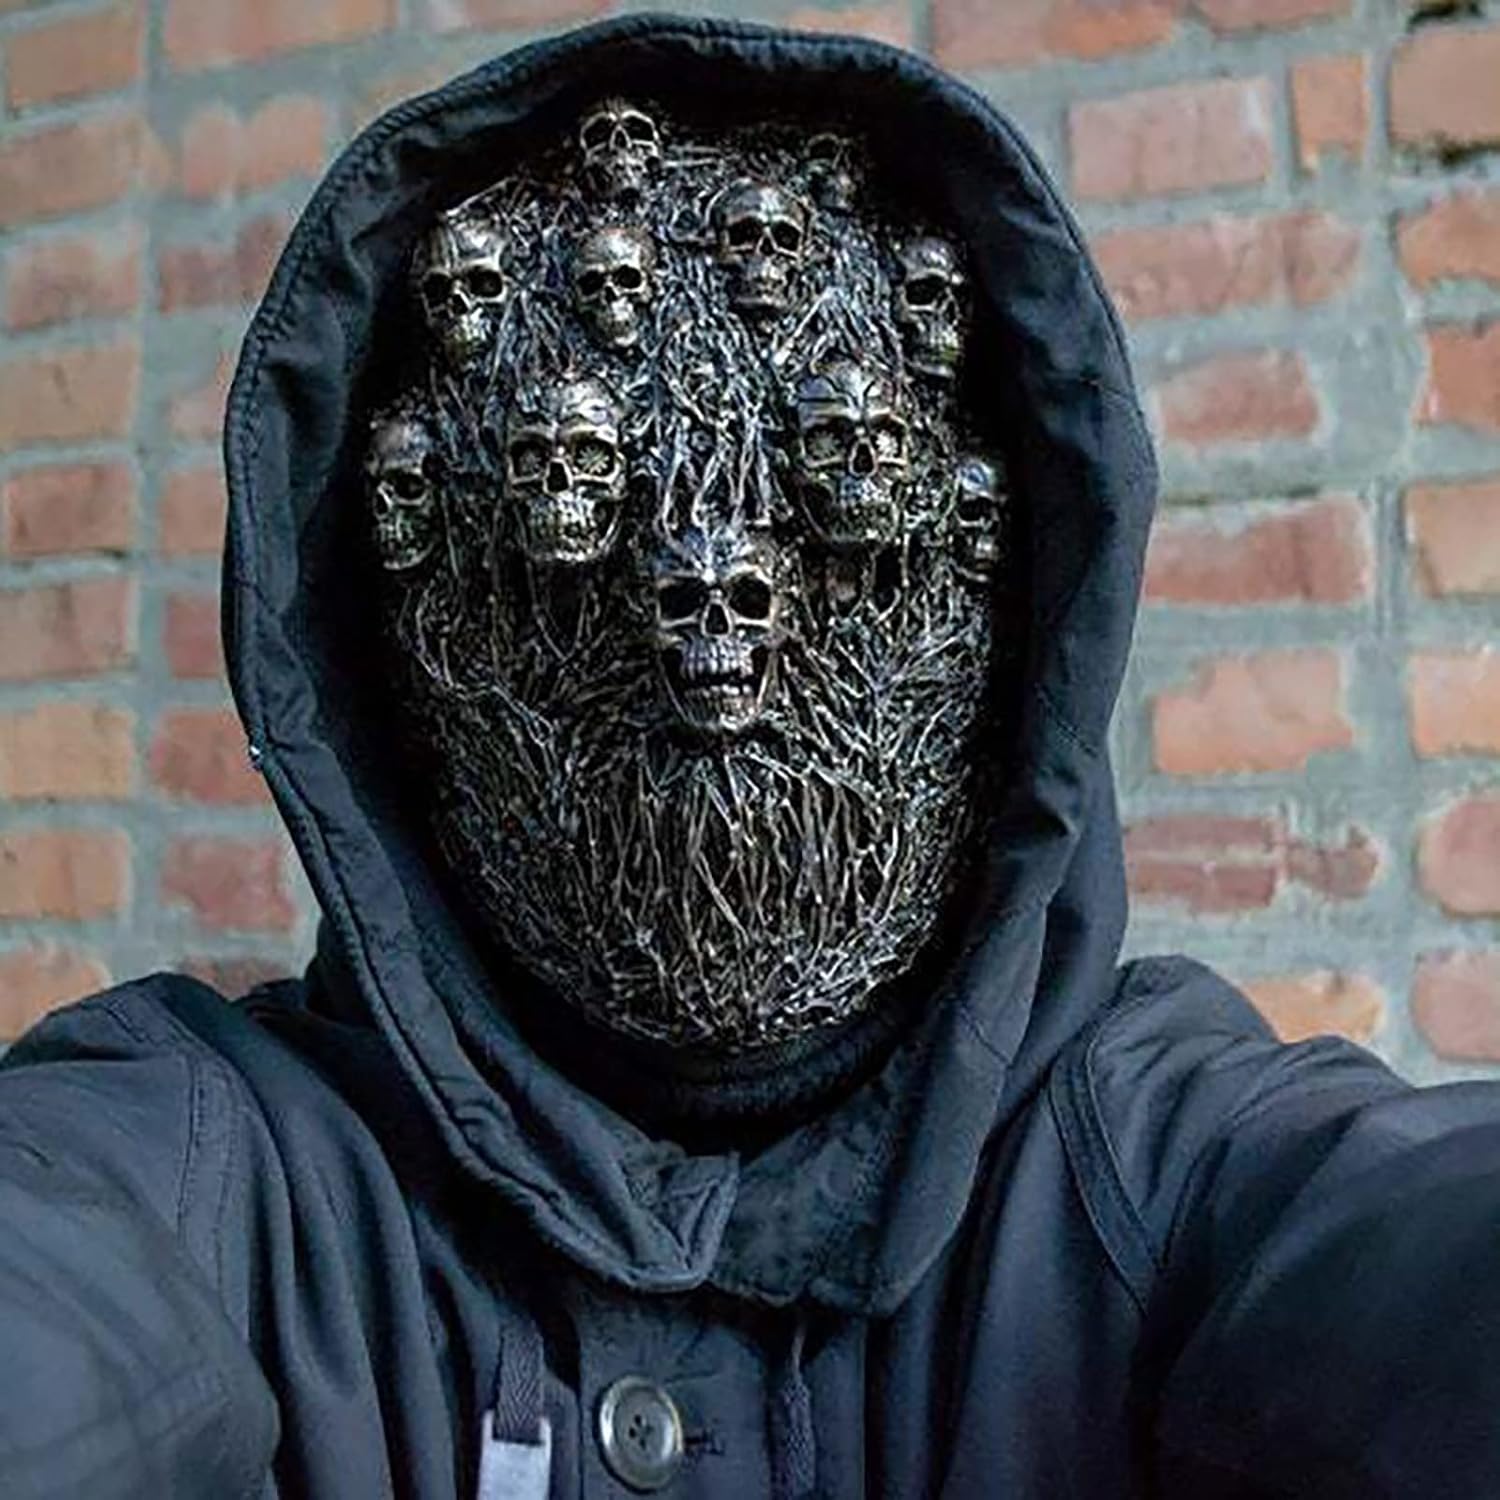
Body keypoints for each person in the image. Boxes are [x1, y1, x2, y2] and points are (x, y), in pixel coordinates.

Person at [2, 15, 1497, 1500]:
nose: (712, 647)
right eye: (588, 529)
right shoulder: (209, 1168)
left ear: (999, 605)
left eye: (822, 518)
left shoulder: (1158, 1161)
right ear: (420, 621)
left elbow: (1405, 1256)